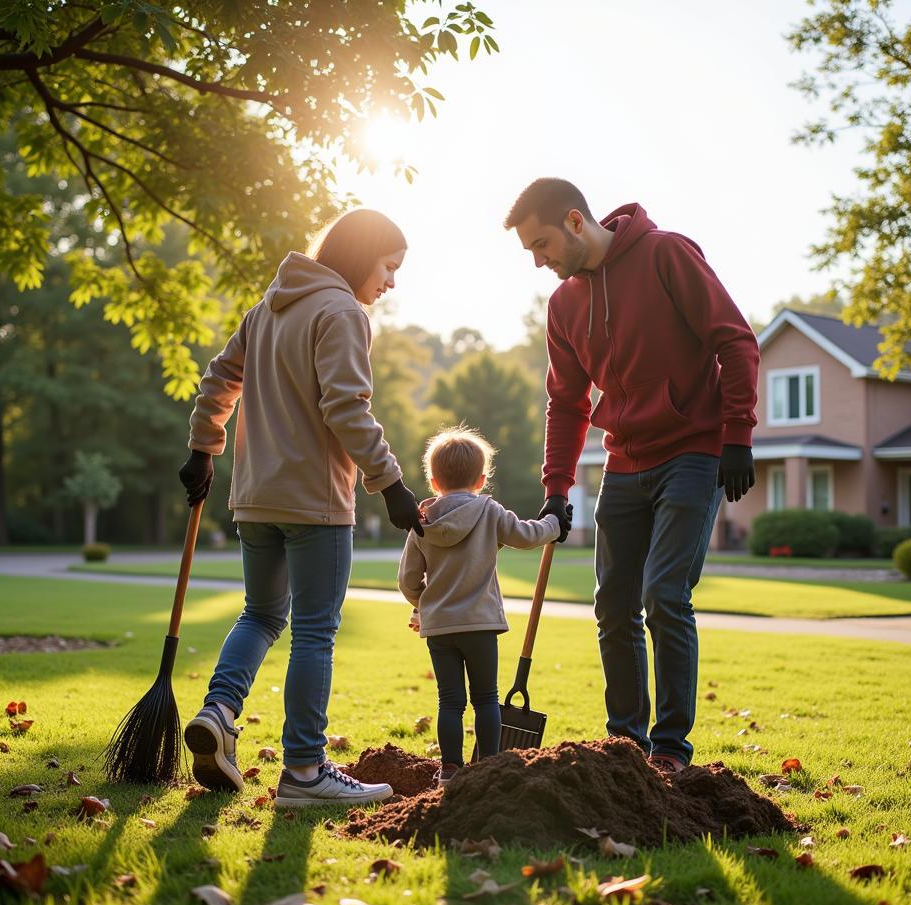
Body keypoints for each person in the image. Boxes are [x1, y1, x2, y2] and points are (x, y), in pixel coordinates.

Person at [504, 178, 759, 775]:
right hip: (623, 462)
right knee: (613, 607)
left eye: (541, 245)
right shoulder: (563, 305)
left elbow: (735, 341)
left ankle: (669, 749)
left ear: (574, 220)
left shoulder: (666, 253)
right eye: (529, 253)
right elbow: (565, 402)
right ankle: (625, 747)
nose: (539, 261)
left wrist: (737, 435)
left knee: (664, 595)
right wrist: (557, 488)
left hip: (693, 453)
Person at [178, 208, 424, 807]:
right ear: (362, 255)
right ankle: (306, 773)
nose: (391, 282)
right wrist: (390, 483)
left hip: (255, 497)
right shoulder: (342, 311)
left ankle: (219, 712)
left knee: (260, 615)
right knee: (315, 630)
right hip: (314, 501)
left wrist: (203, 447)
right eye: (389, 267)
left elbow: (219, 380)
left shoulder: (266, 310)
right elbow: (346, 408)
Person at [398, 426, 563, 786]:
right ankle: (490, 767)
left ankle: (450, 770)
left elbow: (408, 581)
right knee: (486, 698)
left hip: (440, 628)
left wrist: (423, 605)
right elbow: (526, 535)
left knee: (450, 701)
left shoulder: (421, 522)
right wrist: (554, 522)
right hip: (480, 624)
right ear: (482, 479)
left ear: (433, 480)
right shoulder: (489, 511)